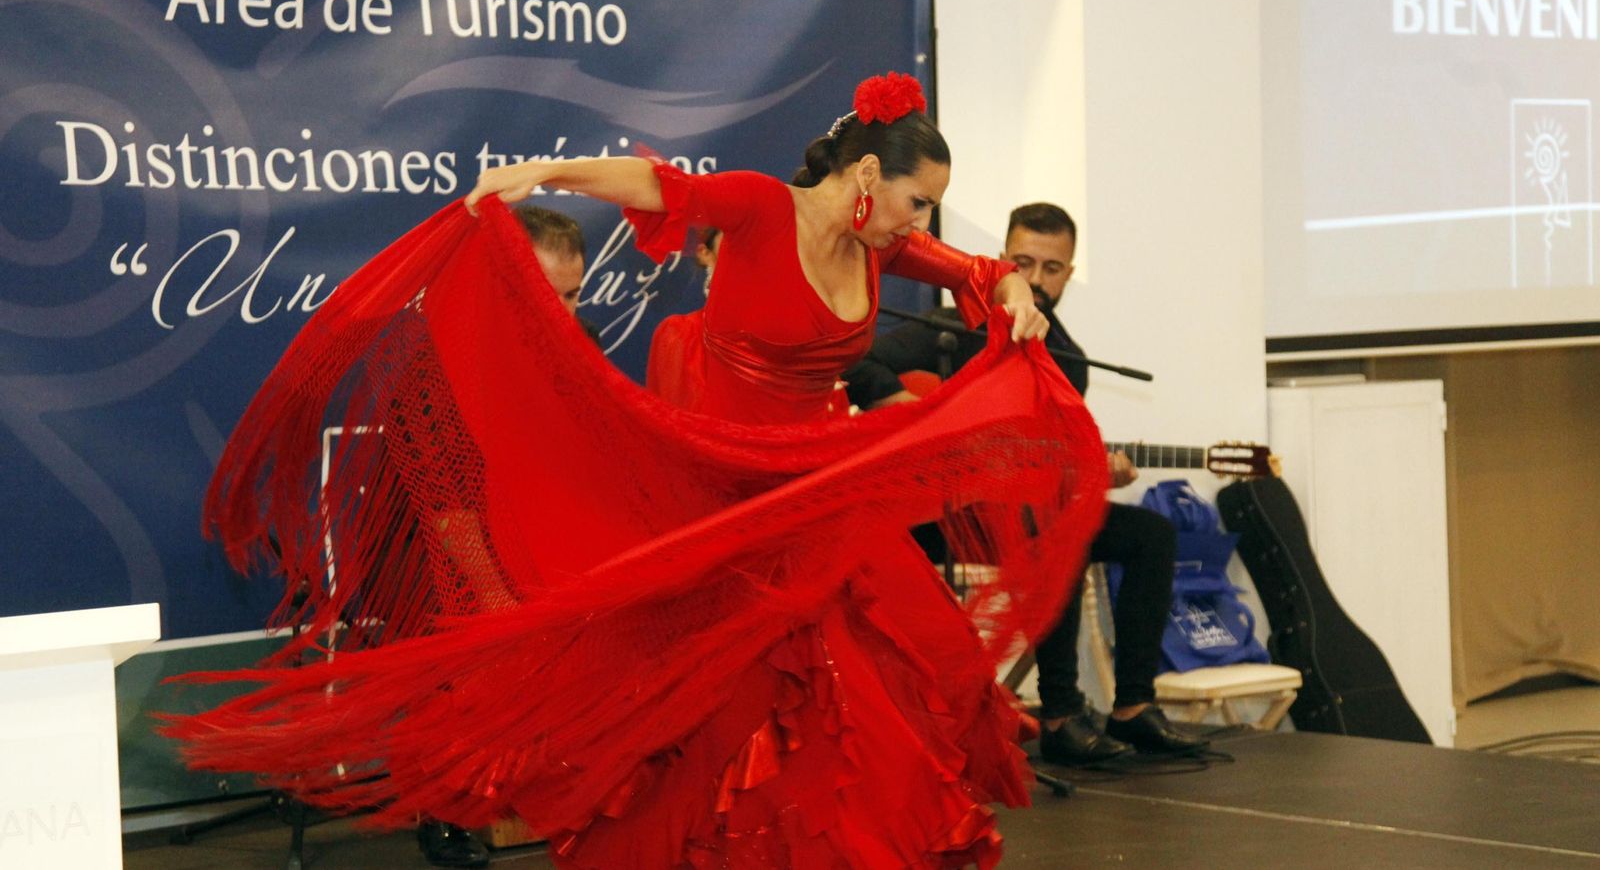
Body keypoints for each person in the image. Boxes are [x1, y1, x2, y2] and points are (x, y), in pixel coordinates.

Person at [170, 75, 1109, 869]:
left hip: (814, 495)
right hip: (721, 488)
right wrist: (544, 172)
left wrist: (1017, 290)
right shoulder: (756, 206)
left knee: (870, 696)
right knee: (726, 709)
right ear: (869, 174)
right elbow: (661, 186)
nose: (921, 219)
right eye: (916, 198)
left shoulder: (888, 246)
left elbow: (979, 273)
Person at [843, 202, 1208, 764]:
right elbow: (860, 361)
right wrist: (906, 407)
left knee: (1149, 534)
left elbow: (1046, 466)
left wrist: (1092, 472)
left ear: (1070, 271)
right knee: (1048, 526)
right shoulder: (952, 325)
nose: (1037, 280)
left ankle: (1133, 706)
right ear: (1002, 260)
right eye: (1024, 262)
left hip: (1024, 510)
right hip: (938, 517)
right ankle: (1059, 712)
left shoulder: (1070, 361)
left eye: (1053, 268)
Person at [415, 204, 587, 869]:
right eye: (553, 297)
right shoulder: (437, 366)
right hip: (458, 564)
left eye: (575, 295)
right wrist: (503, 608)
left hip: (552, 550)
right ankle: (452, 809)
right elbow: (446, 510)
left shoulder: (579, 347)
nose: (568, 314)